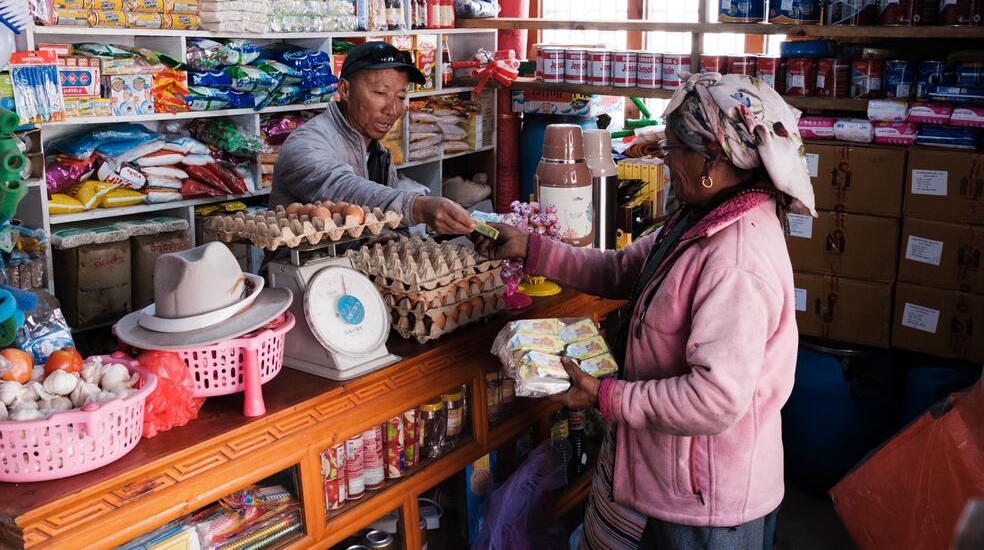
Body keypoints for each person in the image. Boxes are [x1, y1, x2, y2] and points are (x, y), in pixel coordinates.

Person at [478, 73, 816, 550]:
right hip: (666, 472)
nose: (664, 158)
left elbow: (714, 398)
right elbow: (622, 269)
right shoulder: (699, 219)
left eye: (672, 147)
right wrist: (533, 249)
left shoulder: (736, 258)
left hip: (707, 502)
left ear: (710, 161)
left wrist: (607, 397)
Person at [270, 41, 475, 235]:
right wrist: (417, 206)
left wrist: (391, 236)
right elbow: (343, 188)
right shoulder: (306, 144)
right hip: (303, 269)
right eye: (379, 93)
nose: (393, 109)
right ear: (345, 90)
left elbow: (386, 219)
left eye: (401, 97)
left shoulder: (378, 151)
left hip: (351, 269)